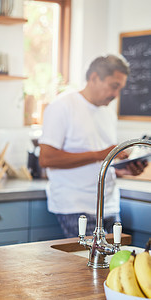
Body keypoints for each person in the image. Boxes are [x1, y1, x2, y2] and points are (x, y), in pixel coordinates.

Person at [38, 54, 147, 238]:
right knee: (90, 265)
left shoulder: (108, 113)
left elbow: (100, 163)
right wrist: (101, 154)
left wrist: (125, 170)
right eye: (114, 86)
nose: (116, 94)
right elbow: (46, 158)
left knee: (115, 264)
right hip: (76, 206)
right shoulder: (62, 106)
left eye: (120, 88)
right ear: (94, 78)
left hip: (109, 205)